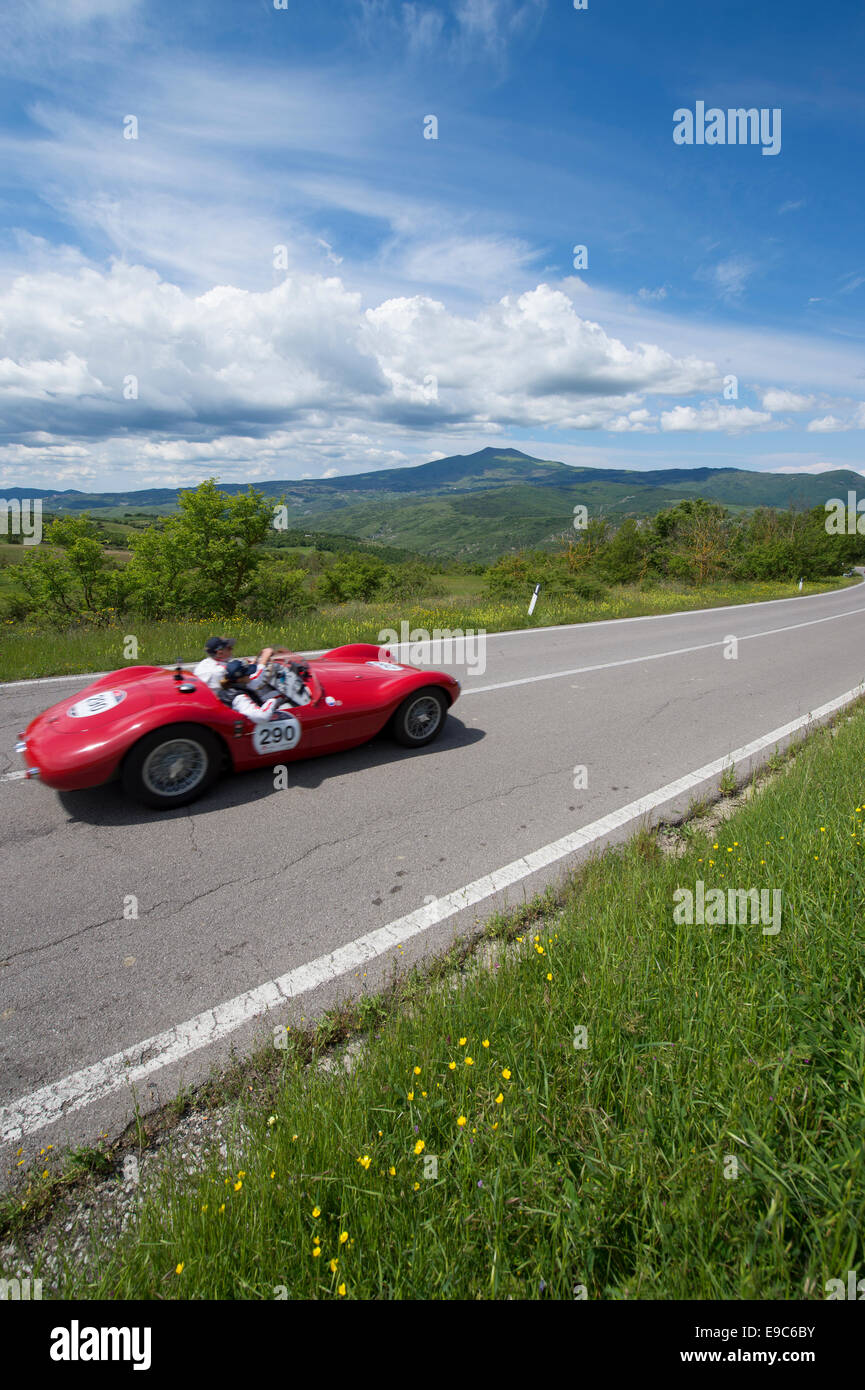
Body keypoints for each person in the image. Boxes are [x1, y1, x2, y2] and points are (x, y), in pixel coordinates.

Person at [217, 659, 292, 723]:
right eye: (247, 673)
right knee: (287, 707)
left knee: (276, 694)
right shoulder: (239, 698)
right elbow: (261, 717)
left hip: (242, 720)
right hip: (249, 729)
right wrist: (272, 701)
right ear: (239, 679)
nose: (250, 674)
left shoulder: (228, 689)